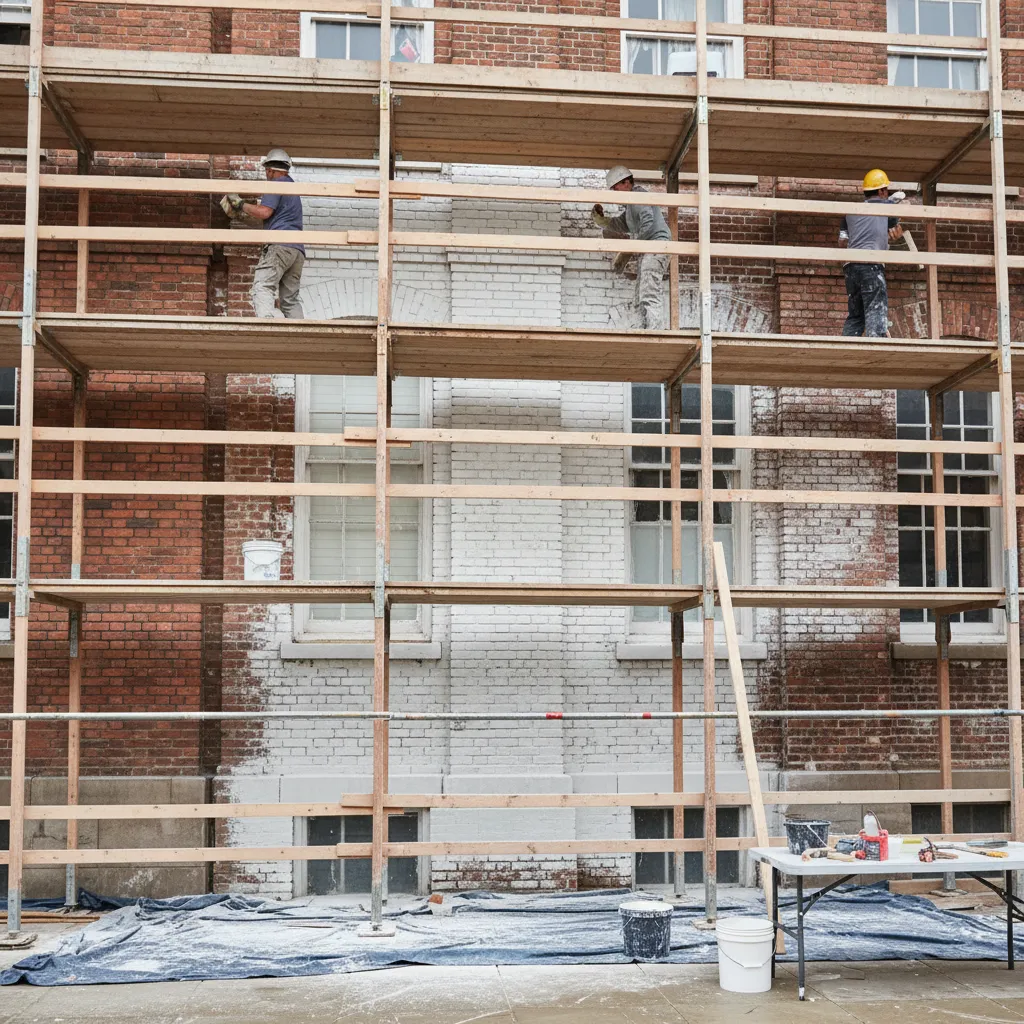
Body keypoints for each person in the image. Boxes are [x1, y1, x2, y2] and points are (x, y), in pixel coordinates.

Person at [221, 149, 305, 319]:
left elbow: (264, 212)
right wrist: (241, 214)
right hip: (297, 251)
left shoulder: (276, 183)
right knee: (290, 299)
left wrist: (240, 203)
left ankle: (266, 323)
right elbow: (270, 219)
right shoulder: (291, 187)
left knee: (263, 286)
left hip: (280, 246)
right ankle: (300, 331)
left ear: (270, 170)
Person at [592, 165, 671, 330]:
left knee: (649, 291)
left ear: (627, 182)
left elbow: (648, 221)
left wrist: (633, 246)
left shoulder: (638, 196)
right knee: (641, 293)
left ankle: (655, 331)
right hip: (649, 250)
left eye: (616, 187)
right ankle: (646, 328)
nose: (614, 191)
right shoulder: (631, 206)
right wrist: (602, 220)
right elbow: (621, 224)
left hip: (656, 246)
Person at [839, 168, 905, 337]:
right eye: (886, 190)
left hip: (850, 267)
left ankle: (848, 343)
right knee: (876, 308)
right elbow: (895, 229)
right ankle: (877, 344)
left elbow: (842, 241)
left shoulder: (851, 211)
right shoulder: (888, 206)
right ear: (882, 191)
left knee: (856, 314)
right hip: (871, 265)